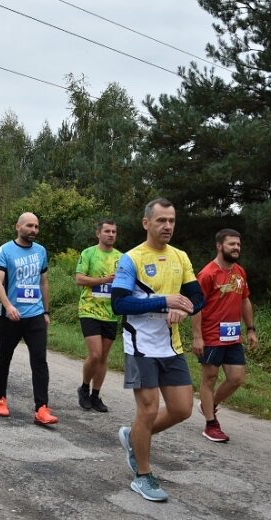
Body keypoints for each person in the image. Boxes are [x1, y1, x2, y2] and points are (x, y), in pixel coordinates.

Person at [111, 198, 204, 502]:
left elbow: (197, 298)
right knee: (148, 410)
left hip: (171, 345)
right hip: (140, 345)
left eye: (172, 221)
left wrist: (186, 309)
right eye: (161, 220)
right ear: (146, 223)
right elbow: (119, 304)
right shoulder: (131, 259)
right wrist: (165, 301)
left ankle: (135, 436)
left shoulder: (180, 257)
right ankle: (142, 474)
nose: (167, 226)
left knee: (182, 409)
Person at [0, 212, 58, 425]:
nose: (34, 230)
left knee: (39, 361)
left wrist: (46, 312)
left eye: (36, 227)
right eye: (29, 226)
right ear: (17, 227)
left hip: (35, 315)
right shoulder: (5, 250)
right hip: (11, 316)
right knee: (4, 358)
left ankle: (42, 408)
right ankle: (0, 399)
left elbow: (43, 282)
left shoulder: (41, 252)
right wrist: (8, 306)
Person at [191, 229, 259, 442]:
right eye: (231, 244)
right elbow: (196, 306)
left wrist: (250, 329)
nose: (236, 248)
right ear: (220, 246)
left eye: (238, 244)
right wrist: (197, 336)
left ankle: (208, 405)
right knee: (209, 378)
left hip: (232, 336)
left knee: (236, 378)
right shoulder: (207, 273)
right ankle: (211, 425)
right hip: (211, 336)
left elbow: (245, 300)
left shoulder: (240, 272)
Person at [75, 219, 122, 413]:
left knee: (103, 357)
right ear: (98, 234)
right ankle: (84, 388)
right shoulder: (89, 253)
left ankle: (96, 395)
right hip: (89, 309)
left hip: (110, 313)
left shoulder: (122, 257)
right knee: (95, 354)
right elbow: (79, 279)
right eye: (107, 231)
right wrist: (104, 280)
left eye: (114, 232)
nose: (111, 235)